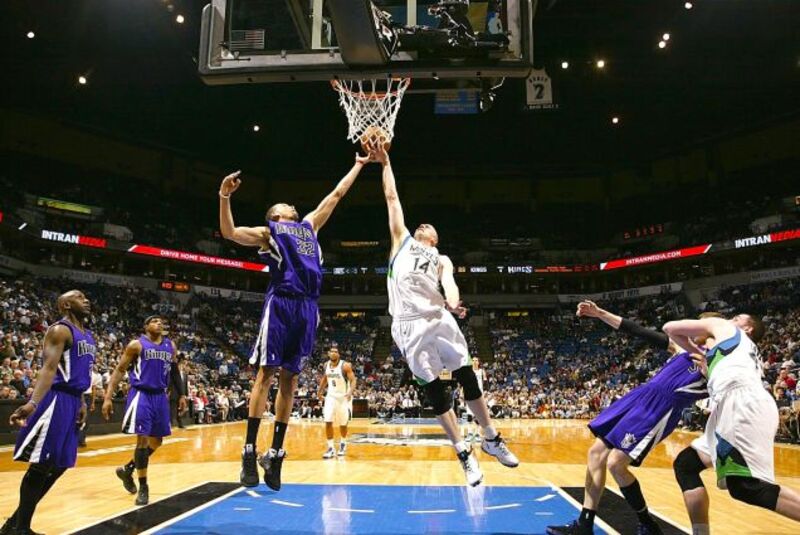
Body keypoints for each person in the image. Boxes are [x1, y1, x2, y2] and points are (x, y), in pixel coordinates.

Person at [219, 155, 370, 491]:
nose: (292, 205)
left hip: (308, 308)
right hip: (282, 303)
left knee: (290, 381)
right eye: (285, 204)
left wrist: (359, 165)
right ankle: (248, 450)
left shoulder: (310, 226)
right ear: (276, 215)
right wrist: (224, 196)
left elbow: (336, 195)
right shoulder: (267, 231)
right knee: (266, 374)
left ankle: (275, 453)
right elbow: (228, 232)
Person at [374, 146, 518, 487]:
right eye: (421, 225)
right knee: (435, 392)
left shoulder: (441, 258)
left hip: (439, 317)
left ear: (435, 239)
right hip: (408, 326)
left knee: (466, 374)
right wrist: (386, 161)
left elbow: (451, 286)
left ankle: (491, 437)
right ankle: (463, 452)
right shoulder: (402, 241)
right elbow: (392, 196)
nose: (424, 226)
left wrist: (453, 303)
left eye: (430, 228)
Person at [548, 302, 714, 535]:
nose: (693, 329)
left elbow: (728, 395)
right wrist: (599, 313)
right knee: (596, 453)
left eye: (699, 326)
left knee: (616, 463)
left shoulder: (719, 365)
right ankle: (584, 525)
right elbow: (636, 330)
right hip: (639, 398)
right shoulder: (681, 348)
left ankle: (647, 524)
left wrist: (711, 375)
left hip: (661, 410)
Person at [663, 314, 800, 533]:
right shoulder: (735, 352)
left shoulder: (724, 326)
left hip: (741, 404)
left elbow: (670, 327)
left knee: (747, 487)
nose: (730, 318)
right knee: (686, 464)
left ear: (747, 329)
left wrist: (697, 346)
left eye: (736, 318)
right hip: (731, 405)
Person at [1, 290, 96, 535]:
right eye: (79, 297)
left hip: (73, 400)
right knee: (40, 465)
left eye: (86, 297)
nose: (85, 300)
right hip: (55, 400)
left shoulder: (88, 336)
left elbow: (80, 373)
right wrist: (33, 403)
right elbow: (49, 368)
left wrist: (83, 402)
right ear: (66, 304)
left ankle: (14, 523)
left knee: (60, 464)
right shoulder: (60, 330)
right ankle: (21, 528)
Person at [102, 316, 186, 506]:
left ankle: (127, 469)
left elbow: (174, 372)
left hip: (160, 396)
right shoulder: (136, 345)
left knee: (157, 441)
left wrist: (182, 394)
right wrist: (108, 397)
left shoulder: (170, 346)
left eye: (161, 321)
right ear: (146, 326)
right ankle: (143, 487)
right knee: (142, 439)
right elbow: (120, 369)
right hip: (141, 394)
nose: (159, 323)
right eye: (154, 321)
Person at [318, 346, 356, 458]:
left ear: (339, 354)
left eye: (336, 351)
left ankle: (343, 444)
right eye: (332, 351)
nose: (334, 353)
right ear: (329, 353)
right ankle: (330, 448)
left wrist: (350, 392)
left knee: (343, 423)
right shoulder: (326, 365)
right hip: (330, 396)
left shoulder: (345, 366)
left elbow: (353, 380)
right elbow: (325, 379)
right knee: (328, 420)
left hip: (343, 397)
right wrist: (319, 392)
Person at [464, 357, 488, 442]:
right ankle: (470, 433)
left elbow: (486, 384)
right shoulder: (468, 372)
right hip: (469, 395)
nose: (474, 362)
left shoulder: (481, 371)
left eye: (476, 360)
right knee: (469, 416)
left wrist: (485, 393)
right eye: (473, 360)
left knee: (479, 416)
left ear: (478, 362)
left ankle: (477, 434)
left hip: (479, 396)